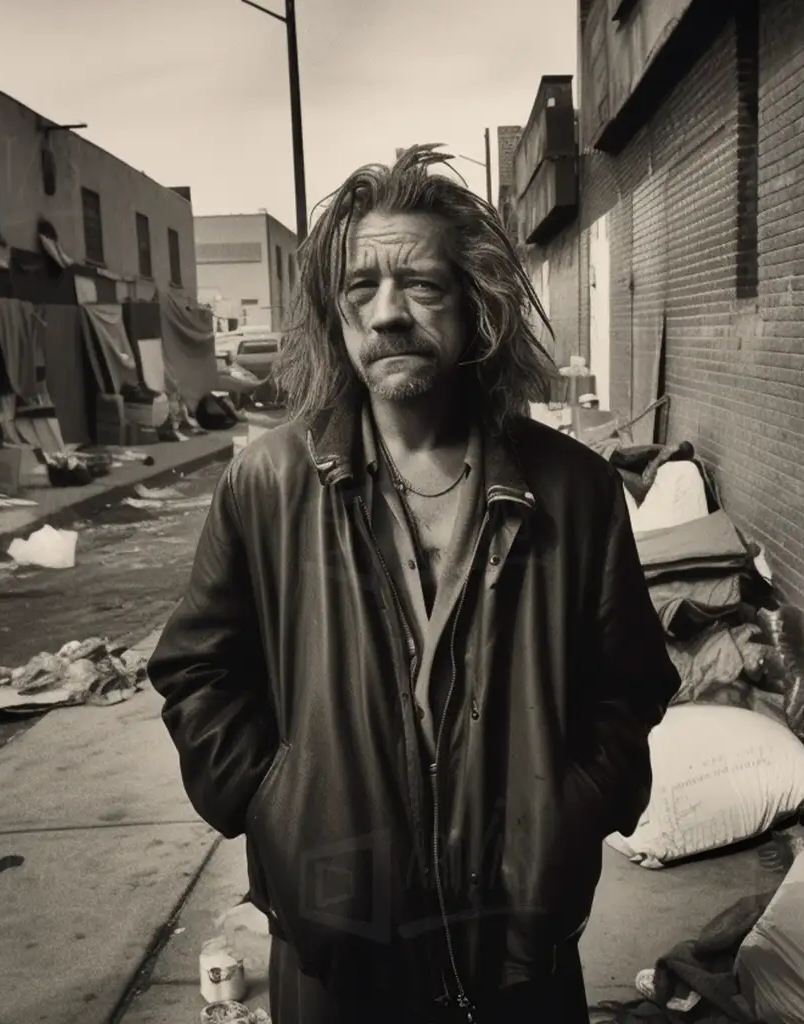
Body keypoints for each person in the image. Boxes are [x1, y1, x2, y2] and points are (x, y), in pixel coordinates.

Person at [148, 145, 680, 1023]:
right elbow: (196, 672)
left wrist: (571, 809)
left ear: (476, 304)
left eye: (422, 285)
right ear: (336, 315)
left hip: (521, 948)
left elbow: (631, 687)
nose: (388, 313)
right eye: (361, 288)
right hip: (336, 949)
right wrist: (276, 803)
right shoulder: (268, 485)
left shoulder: (575, 491)